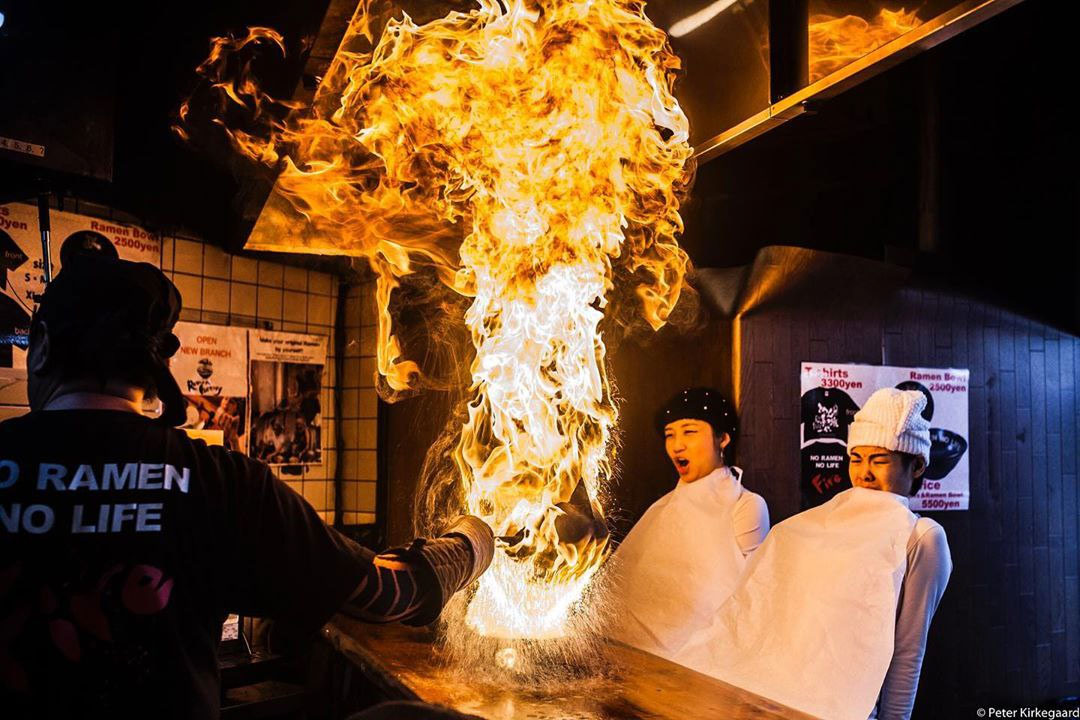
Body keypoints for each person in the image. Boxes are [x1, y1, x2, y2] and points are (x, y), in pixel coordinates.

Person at [0, 253, 494, 719]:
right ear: (158, 368)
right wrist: (475, 538)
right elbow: (390, 595)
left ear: (41, 346)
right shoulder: (219, 481)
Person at [673, 387, 952, 720]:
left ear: (917, 466)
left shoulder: (923, 538)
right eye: (856, 459)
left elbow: (908, 651)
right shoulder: (829, 521)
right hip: (780, 698)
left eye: (879, 461)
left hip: (849, 706)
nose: (863, 474)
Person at [605, 387, 770, 660]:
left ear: (723, 438)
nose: (677, 445)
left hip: (710, 661)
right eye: (670, 435)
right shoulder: (661, 508)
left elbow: (754, 596)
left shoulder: (746, 505)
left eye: (689, 432)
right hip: (635, 658)